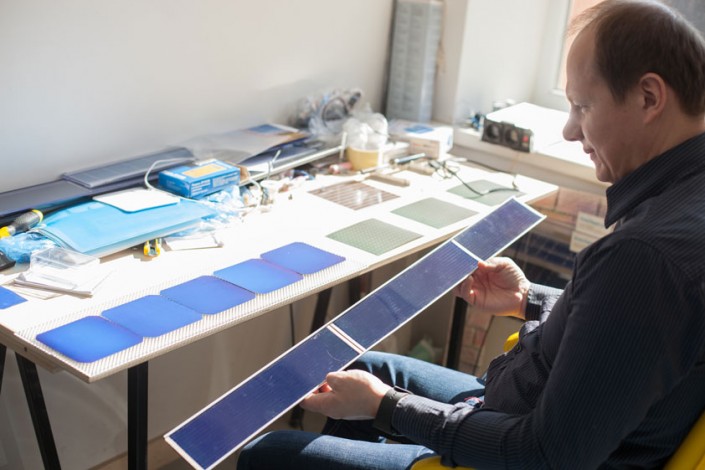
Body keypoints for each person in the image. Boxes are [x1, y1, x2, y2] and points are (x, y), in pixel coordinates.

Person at [237, 1, 705, 468]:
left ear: (649, 98)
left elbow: (544, 455)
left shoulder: (645, 257)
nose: (569, 130)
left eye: (582, 106)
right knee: (360, 371)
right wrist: (531, 300)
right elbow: (622, 333)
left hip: (517, 446)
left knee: (268, 453)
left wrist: (387, 407)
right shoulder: (683, 207)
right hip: (526, 404)